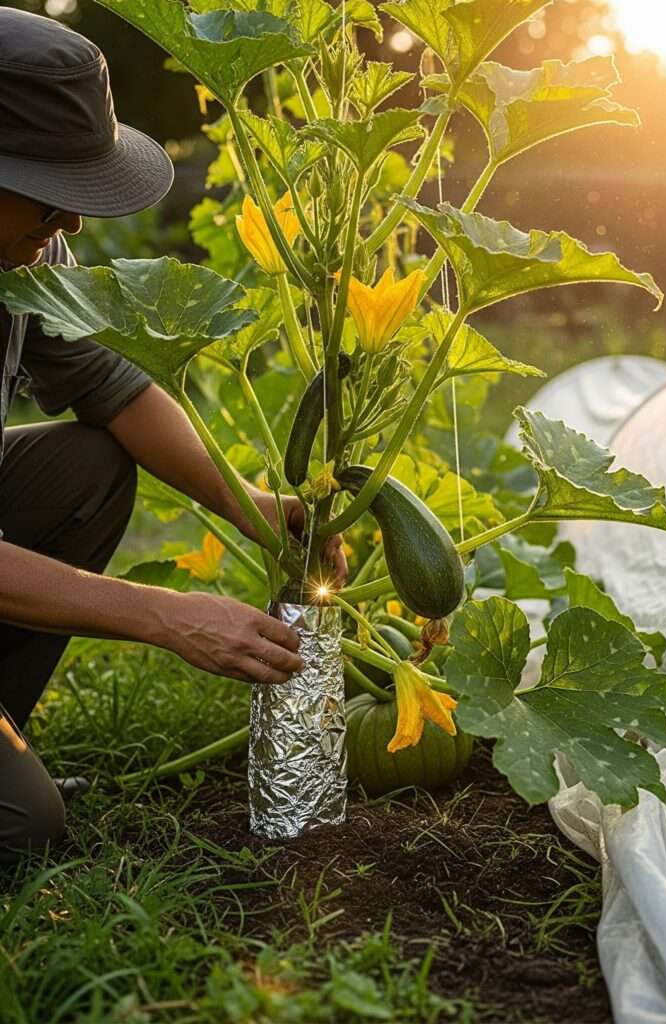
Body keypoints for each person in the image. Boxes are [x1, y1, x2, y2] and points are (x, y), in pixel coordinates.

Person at [0, 9, 346, 862]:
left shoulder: (22, 249)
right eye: (51, 193)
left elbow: (109, 386)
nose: (72, 223)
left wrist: (253, 505)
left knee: (87, 463)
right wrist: (162, 615)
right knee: (21, 830)